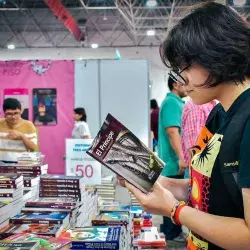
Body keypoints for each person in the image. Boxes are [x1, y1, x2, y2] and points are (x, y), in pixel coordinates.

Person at [121, 3, 250, 250]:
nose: (181, 78)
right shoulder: (218, 113)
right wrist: (155, 182)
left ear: (216, 55)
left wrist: (173, 210)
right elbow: (208, 189)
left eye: (184, 66)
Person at [158, 77, 187, 243]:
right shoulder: (171, 103)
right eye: (185, 81)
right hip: (172, 162)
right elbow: (172, 132)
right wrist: (181, 158)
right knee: (172, 199)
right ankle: (171, 234)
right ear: (175, 84)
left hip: (174, 160)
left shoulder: (177, 102)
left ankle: (171, 232)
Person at [181, 99, 216, 178]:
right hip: (200, 171)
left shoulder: (209, 104)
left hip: (203, 169)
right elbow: (194, 146)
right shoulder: (198, 106)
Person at [0, 98, 37, 162]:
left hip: (21, 164)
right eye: (9, 114)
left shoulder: (28, 125)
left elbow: (33, 148)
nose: (13, 117)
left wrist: (21, 136)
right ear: (4, 113)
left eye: (16, 113)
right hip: (1, 164)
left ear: (21, 111)